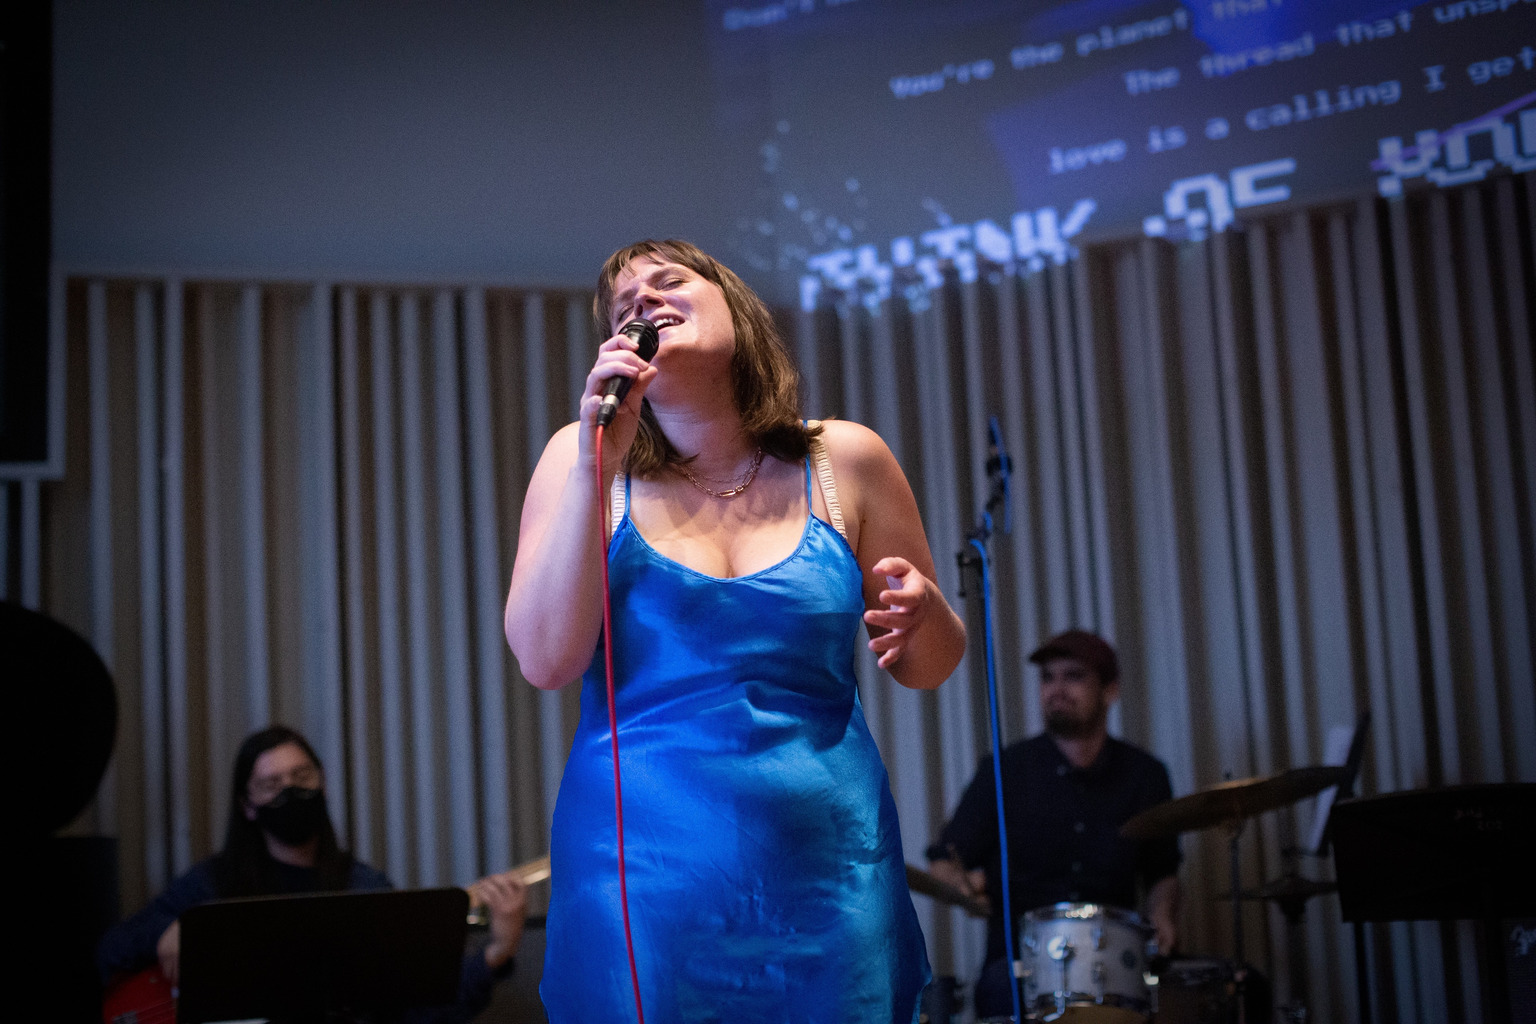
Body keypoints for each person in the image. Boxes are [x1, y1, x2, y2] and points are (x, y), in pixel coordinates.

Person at [504, 238, 967, 1022]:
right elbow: (547, 660)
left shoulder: (844, 459)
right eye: (623, 308)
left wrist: (927, 612)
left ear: (737, 308)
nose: (642, 303)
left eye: (667, 281)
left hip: (829, 875)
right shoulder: (576, 459)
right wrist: (595, 465)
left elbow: (928, 665)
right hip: (641, 884)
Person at [98, 725, 527, 1022]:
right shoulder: (213, 882)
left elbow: (417, 1011)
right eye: (271, 784)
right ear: (247, 804)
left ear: (321, 784)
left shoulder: (365, 889)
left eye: (301, 776)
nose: (290, 790)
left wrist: (495, 954)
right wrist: (168, 930)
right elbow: (111, 950)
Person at [925, 629, 1181, 1018]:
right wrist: (961, 886)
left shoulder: (1145, 775)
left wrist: (1162, 913)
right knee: (998, 989)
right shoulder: (1004, 771)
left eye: (1074, 676)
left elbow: (1163, 872)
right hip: (1020, 966)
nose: (1057, 689)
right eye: (1048, 677)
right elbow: (943, 860)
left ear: (1110, 690)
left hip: (1116, 965)